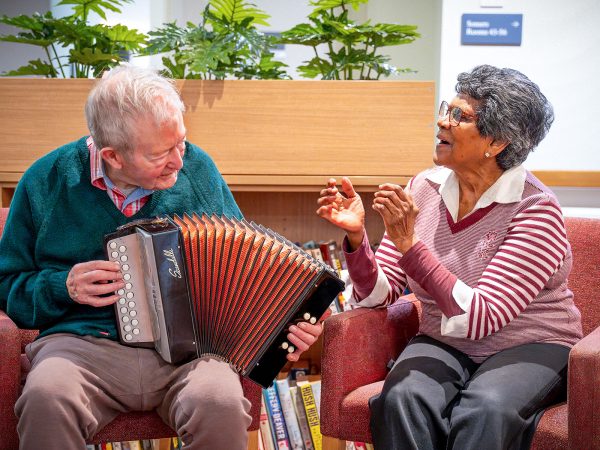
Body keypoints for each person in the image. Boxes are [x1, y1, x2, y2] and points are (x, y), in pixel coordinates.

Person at [0, 64, 324, 450]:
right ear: (113, 156)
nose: (179, 162)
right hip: (82, 346)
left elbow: (250, 268)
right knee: (46, 397)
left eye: (181, 143)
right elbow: (8, 286)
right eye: (160, 154)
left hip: (190, 354)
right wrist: (63, 286)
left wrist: (287, 327)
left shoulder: (198, 169)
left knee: (219, 400)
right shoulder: (46, 180)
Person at [317, 64, 582, 450]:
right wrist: (357, 237)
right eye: (447, 108)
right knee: (402, 398)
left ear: (498, 141)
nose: (442, 121)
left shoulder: (535, 209)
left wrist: (410, 245)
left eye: (460, 116)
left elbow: (479, 319)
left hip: (531, 343)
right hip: (445, 339)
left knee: (486, 410)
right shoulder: (424, 188)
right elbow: (379, 296)